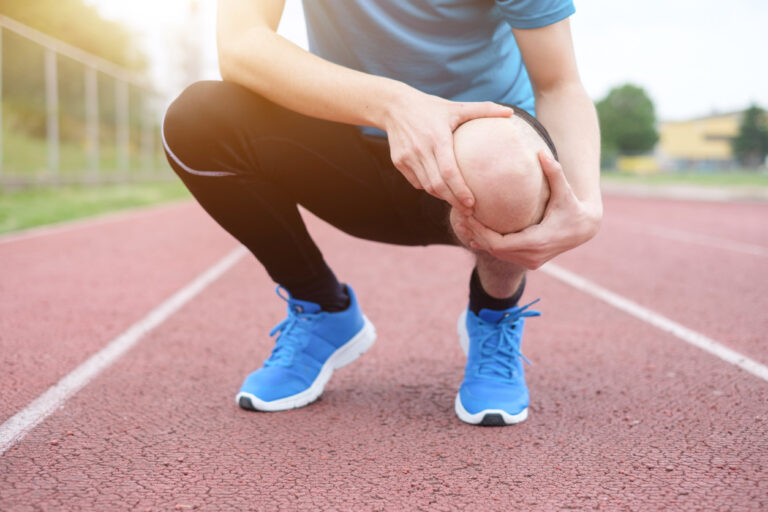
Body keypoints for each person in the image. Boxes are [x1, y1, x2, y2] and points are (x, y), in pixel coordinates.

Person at [162, 0, 602, 426]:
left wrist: (587, 206)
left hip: (476, 160)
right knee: (198, 120)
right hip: (350, 152)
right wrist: (395, 104)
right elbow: (241, 45)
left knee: (504, 162)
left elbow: (558, 83)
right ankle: (322, 310)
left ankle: (495, 314)